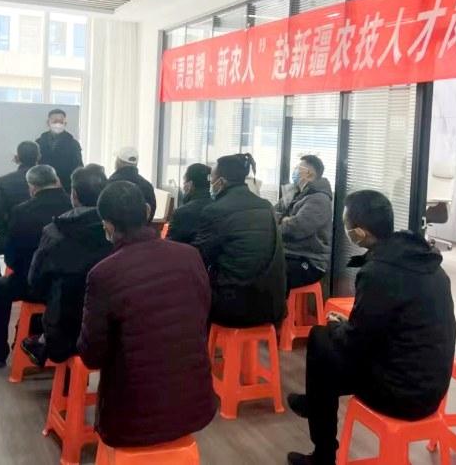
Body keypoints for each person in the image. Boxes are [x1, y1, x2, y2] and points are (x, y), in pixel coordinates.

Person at [287, 190, 456, 465]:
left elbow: (356, 342)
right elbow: (393, 325)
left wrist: (342, 329)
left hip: (403, 394)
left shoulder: (378, 272)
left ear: (359, 233)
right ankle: (315, 402)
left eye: (346, 224)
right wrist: (349, 327)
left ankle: (323, 454)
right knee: (329, 347)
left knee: (321, 340)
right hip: (432, 385)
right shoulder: (425, 262)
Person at [77, 181, 216, 447]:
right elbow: (202, 315)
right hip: (195, 407)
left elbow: (92, 355)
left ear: (108, 226)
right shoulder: (190, 256)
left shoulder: (103, 274)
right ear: (147, 211)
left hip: (131, 422)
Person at [21, 164, 112, 366]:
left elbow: (36, 281)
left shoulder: (55, 232)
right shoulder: (118, 230)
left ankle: (41, 342)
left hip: (66, 334)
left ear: (74, 195)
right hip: (112, 331)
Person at [0, 165, 71, 368]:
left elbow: (11, 259)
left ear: (32, 187)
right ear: (57, 180)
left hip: (32, 285)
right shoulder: (72, 206)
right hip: (68, 287)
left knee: (0, 288)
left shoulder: (22, 212)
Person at [192, 153, 286, 327]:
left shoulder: (216, 210)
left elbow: (198, 258)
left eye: (211, 178)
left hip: (235, 308)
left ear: (221, 181)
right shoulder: (266, 206)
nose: (210, 183)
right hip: (271, 304)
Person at [0, 141, 39, 301]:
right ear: (38, 157)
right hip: (46, 239)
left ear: (17, 158)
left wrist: (8, 232)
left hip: (15, 239)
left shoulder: (5, 181)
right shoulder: (51, 179)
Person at [275, 155, 333, 293]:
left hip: (309, 261)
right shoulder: (294, 193)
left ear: (309, 173)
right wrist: (284, 220)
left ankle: (277, 307)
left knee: (270, 276)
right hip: (290, 254)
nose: (294, 171)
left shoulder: (319, 199)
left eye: (297, 168)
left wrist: (285, 221)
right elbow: (272, 214)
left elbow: (296, 229)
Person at [36, 109, 83, 193]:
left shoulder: (73, 144)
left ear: (65, 123)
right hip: (42, 186)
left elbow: (78, 167)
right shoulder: (39, 142)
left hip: (65, 187)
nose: (58, 124)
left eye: (61, 122)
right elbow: (34, 165)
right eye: (55, 121)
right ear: (48, 123)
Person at [167, 163, 212, 244]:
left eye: (184, 182)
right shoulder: (220, 206)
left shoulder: (182, 213)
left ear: (190, 184)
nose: (183, 186)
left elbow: (170, 244)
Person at [107, 146, 156, 219]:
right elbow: (151, 212)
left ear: (118, 162)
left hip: (114, 226)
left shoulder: (109, 184)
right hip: (141, 226)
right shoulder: (147, 185)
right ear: (136, 164)